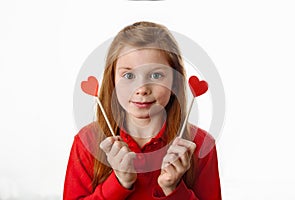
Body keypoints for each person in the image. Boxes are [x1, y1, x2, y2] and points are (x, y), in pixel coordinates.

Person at [63, 21, 221, 200]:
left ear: (175, 81)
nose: (142, 88)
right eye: (128, 75)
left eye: (156, 75)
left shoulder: (201, 145)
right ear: (112, 81)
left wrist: (174, 189)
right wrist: (118, 183)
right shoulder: (88, 141)